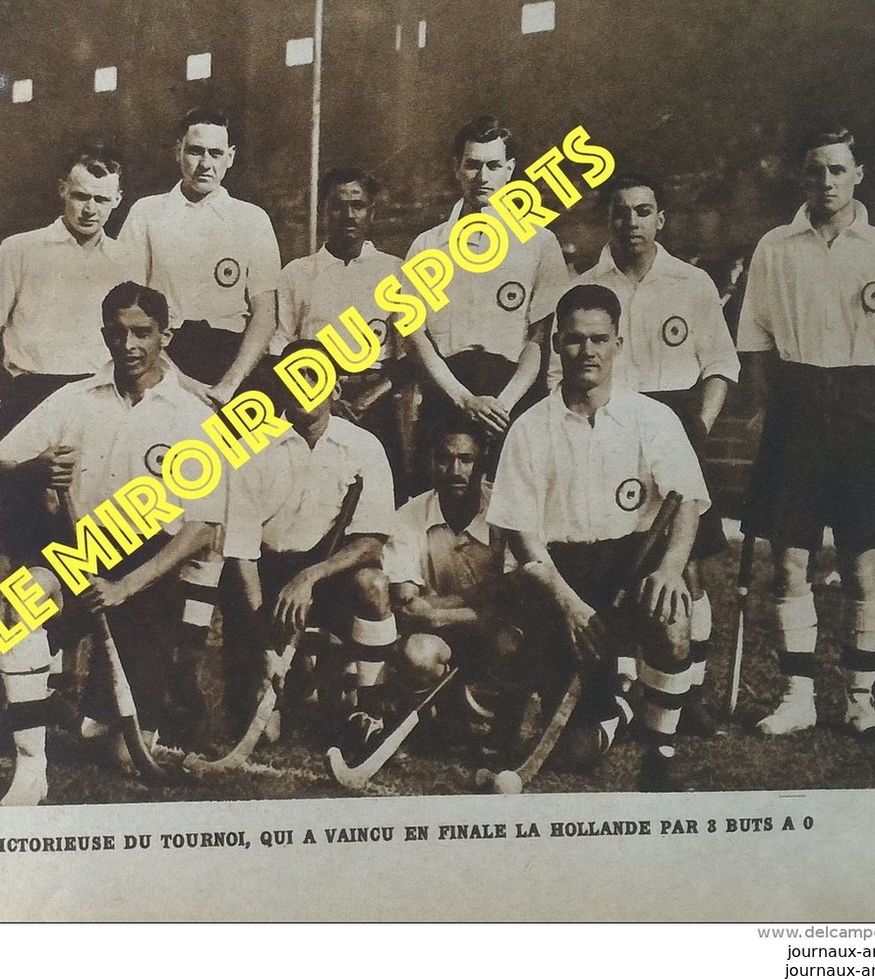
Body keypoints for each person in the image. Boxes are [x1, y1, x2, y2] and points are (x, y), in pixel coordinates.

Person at [0, 283, 224, 805]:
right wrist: (40, 467)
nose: (129, 344)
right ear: (103, 336)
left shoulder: (192, 418)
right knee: (21, 599)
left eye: (142, 332)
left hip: (149, 567)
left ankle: (98, 714)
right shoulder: (75, 398)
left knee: (120, 752)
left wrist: (122, 587)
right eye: (117, 333)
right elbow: (1, 459)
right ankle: (30, 770)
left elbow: (201, 529)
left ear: (166, 335)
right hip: (81, 544)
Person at [488, 284, 711, 790]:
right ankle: (623, 705)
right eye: (573, 340)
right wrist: (569, 606)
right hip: (557, 575)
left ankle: (661, 752)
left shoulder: (651, 418)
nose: (586, 351)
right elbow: (525, 541)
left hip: (632, 562)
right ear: (556, 345)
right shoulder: (528, 428)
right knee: (574, 751)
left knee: (674, 614)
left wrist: (671, 565)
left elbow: (688, 501)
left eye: (599, 339)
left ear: (618, 344)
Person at [737, 127, 875, 738]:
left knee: (863, 564)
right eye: (815, 172)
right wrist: (772, 412)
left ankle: (861, 700)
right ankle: (798, 698)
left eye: (838, 171)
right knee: (790, 562)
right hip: (798, 405)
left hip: (866, 407)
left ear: (858, 174)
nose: (827, 183)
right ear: (801, 177)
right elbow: (755, 343)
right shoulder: (775, 247)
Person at [563, 172, 740, 734]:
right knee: (624, 557)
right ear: (606, 220)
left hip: (678, 426)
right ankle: (627, 690)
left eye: (643, 211)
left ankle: (690, 698)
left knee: (686, 567)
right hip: (614, 429)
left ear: (660, 219)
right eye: (620, 212)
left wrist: (700, 428)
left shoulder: (692, 284)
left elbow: (720, 366)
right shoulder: (589, 286)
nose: (631, 222)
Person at [222, 340, 397, 761]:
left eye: (313, 377)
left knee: (373, 584)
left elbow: (371, 543)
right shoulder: (251, 448)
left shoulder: (364, 447)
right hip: (264, 577)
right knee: (265, 732)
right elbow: (242, 553)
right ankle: (281, 683)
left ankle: (370, 714)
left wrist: (310, 577)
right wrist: (266, 642)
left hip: (329, 573)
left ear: (336, 389)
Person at [0, 146, 138, 564]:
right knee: (29, 529)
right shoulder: (21, 249)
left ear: (117, 200)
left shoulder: (127, 260)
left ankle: (75, 624)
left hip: (99, 400)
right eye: (81, 196)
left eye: (101, 199)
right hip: (32, 396)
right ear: (63, 191)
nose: (90, 209)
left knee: (97, 526)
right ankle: (30, 627)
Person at [406, 115, 571, 469]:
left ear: (510, 169)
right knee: (430, 509)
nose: (483, 178)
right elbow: (413, 333)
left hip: (512, 398)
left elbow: (539, 339)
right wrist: (462, 399)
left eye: (494, 166)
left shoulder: (540, 243)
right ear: (457, 168)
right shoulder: (426, 246)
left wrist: (504, 404)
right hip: (446, 395)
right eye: (473, 166)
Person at [117, 108, 281, 405]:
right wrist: (178, 381)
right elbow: (129, 307)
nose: (205, 164)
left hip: (233, 361)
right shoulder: (147, 213)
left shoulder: (252, 219)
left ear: (230, 157)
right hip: (164, 360)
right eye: (195, 151)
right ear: (178, 151)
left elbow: (265, 314)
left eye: (216, 153)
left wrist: (229, 385)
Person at [383, 423, 523, 751]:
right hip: (440, 636)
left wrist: (435, 611)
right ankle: (435, 721)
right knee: (416, 654)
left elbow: (512, 600)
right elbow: (405, 602)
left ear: (482, 463)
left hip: (493, 633)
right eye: (444, 459)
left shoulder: (507, 512)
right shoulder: (409, 515)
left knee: (513, 646)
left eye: (466, 459)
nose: (455, 470)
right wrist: (481, 600)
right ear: (430, 462)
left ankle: (498, 728)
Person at [274, 168, 407, 491]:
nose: (348, 215)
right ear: (323, 212)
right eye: (337, 205)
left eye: (357, 205)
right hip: (312, 403)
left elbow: (410, 354)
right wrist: (324, 399)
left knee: (382, 493)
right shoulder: (297, 274)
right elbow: (279, 348)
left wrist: (368, 398)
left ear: (371, 212)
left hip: (376, 401)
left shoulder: (395, 270)